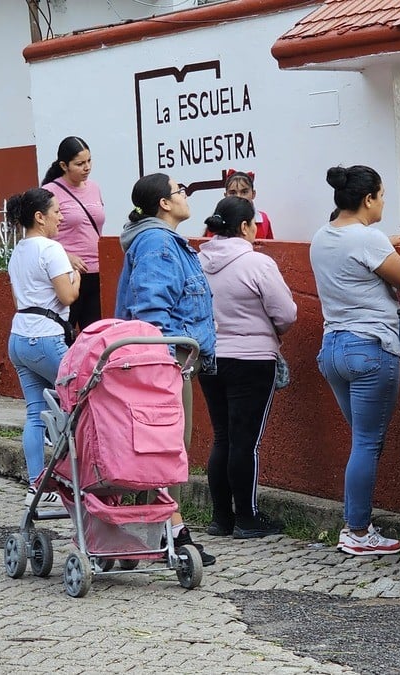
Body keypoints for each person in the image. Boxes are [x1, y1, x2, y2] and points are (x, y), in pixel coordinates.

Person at [310, 165, 400, 557]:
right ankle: (357, 531)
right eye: (381, 196)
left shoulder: (322, 237)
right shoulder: (369, 239)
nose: (382, 203)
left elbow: (356, 266)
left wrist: (383, 248)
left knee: (362, 441)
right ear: (368, 199)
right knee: (366, 443)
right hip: (370, 348)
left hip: (333, 350)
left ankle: (357, 526)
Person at [117, 172, 217, 566]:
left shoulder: (161, 241)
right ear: (164, 203)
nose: (186, 196)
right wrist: (167, 361)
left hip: (171, 360)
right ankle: (168, 531)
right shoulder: (159, 243)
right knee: (170, 448)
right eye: (181, 191)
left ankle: (155, 529)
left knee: (164, 448)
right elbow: (151, 312)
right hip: (166, 362)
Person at [197, 196, 298, 539]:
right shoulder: (257, 263)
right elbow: (286, 313)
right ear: (244, 227)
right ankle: (248, 517)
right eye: (254, 224)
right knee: (245, 442)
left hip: (210, 358)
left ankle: (221, 518)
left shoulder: (199, 260)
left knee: (222, 436)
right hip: (252, 359)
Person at [6, 187, 80, 511]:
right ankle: (80, 482)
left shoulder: (18, 251)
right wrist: (75, 276)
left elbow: (18, 299)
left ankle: (38, 487)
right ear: (40, 217)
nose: (61, 217)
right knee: (83, 403)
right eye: (56, 212)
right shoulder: (52, 250)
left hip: (19, 339)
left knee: (35, 413)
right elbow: (67, 297)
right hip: (47, 340)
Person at [41, 136, 106, 332]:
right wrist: (65, 256)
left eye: (89, 161)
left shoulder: (94, 188)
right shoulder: (49, 192)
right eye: (79, 164)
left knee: (95, 335)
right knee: (65, 333)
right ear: (63, 165)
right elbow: (39, 236)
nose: (87, 167)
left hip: (96, 272)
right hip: (68, 275)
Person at [204, 170, 274, 239]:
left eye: (244, 192)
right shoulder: (218, 221)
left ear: (253, 194)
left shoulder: (263, 219)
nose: (239, 196)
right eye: (232, 193)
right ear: (225, 195)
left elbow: (272, 247)